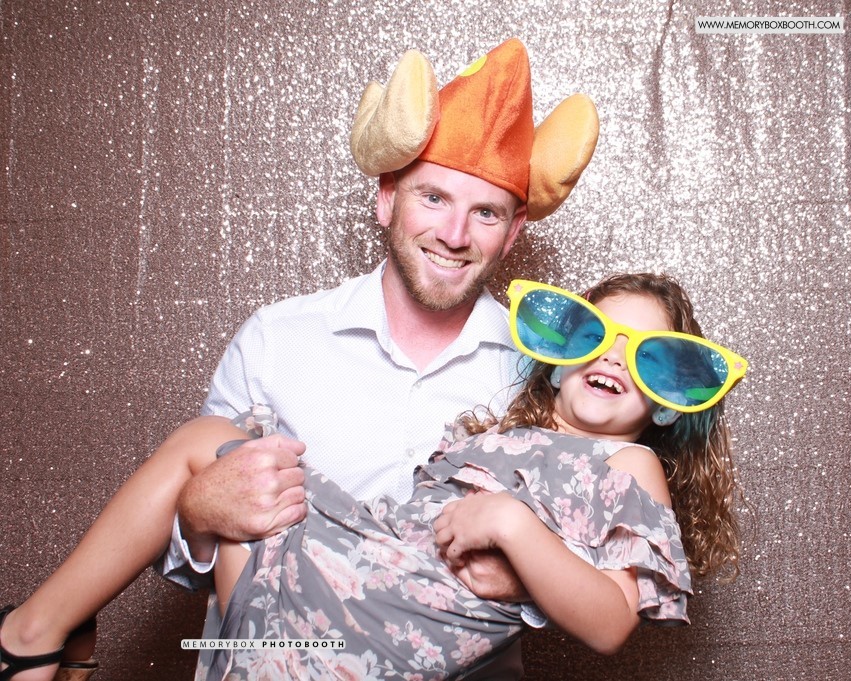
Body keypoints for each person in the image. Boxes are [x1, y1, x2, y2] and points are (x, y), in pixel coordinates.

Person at [0, 39, 599, 681]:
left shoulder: (542, 372)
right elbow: (182, 549)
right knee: (211, 444)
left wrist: (525, 574)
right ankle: (35, 634)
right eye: (433, 198)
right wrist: (196, 516)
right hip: (278, 657)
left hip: (450, 663)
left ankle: (29, 638)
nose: (455, 235)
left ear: (513, 232)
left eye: (485, 212)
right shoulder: (277, 339)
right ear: (387, 198)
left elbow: (590, 552)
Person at [192, 272, 747, 677]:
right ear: (557, 363)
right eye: (593, 336)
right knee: (213, 445)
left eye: (649, 357)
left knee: (210, 448)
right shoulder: (498, 432)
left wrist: (513, 527)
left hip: (397, 635)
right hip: (355, 573)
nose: (613, 358)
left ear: (669, 402)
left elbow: (611, 625)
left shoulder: (628, 463)